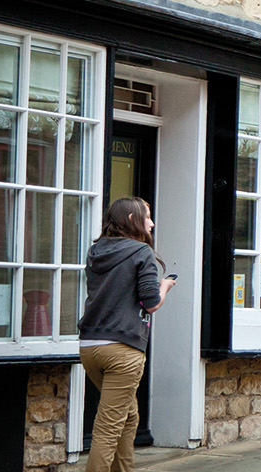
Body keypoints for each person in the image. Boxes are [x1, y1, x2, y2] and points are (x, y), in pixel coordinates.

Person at [78, 197, 175, 472]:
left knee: (129, 416)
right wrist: (165, 286)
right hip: (123, 349)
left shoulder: (95, 251)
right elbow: (150, 303)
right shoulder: (141, 252)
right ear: (133, 220)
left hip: (90, 347)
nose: (152, 223)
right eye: (147, 217)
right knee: (108, 426)